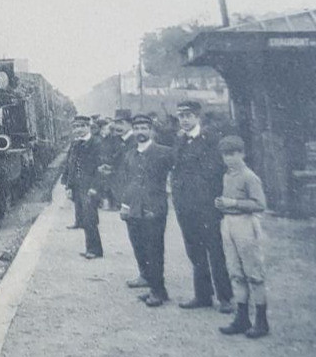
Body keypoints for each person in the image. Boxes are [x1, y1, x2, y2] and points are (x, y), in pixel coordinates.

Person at [171, 100, 235, 313]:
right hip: (185, 207)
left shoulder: (210, 140)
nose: (184, 120)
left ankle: (225, 297)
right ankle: (203, 295)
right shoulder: (179, 140)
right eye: (181, 116)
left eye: (188, 115)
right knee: (194, 251)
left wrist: (205, 196)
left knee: (215, 251)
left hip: (206, 206)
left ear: (198, 117)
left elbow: (214, 171)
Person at [113, 114, 175, 306]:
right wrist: (124, 205)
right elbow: (126, 181)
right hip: (134, 208)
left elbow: (175, 173)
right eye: (137, 128)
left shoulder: (164, 152)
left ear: (151, 131)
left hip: (153, 209)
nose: (140, 132)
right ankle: (148, 281)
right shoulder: (130, 154)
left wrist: (169, 190)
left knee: (154, 249)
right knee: (138, 246)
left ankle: (158, 291)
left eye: (144, 128)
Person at [215, 135, 271, 338]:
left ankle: (261, 322)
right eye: (225, 155)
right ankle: (242, 318)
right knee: (236, 273)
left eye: (233, 154)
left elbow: (260, 204)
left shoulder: (249, 176)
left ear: (242, 154)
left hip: (245, 224)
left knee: (253, 273)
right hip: (228, 224)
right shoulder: (227, 175)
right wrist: (222, 203)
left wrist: (234, 203)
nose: (229, 159)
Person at [60, 116, 104, 258]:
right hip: (78, 186)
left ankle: (95, 250)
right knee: (85, 217)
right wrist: (68, 186)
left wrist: (95, 187)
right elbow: (69, 165)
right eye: (75, 127)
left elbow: (101, 168)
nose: (77, 129)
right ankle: (90, 248)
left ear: (88, 127)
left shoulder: (96, 143)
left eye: (81, 126)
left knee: (90, 218)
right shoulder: (75, 144)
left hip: (90, 186)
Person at [95, 114, 129, 210]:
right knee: (104, 184)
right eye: (103, 129)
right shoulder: (99, 139)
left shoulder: (114, 139)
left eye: (106, 129)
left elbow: (118, 151)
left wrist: (112, 159)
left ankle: (115, 203)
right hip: (102, 163)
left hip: (111, 163)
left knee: (113, 184)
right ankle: (106, 203)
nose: (104, 131)